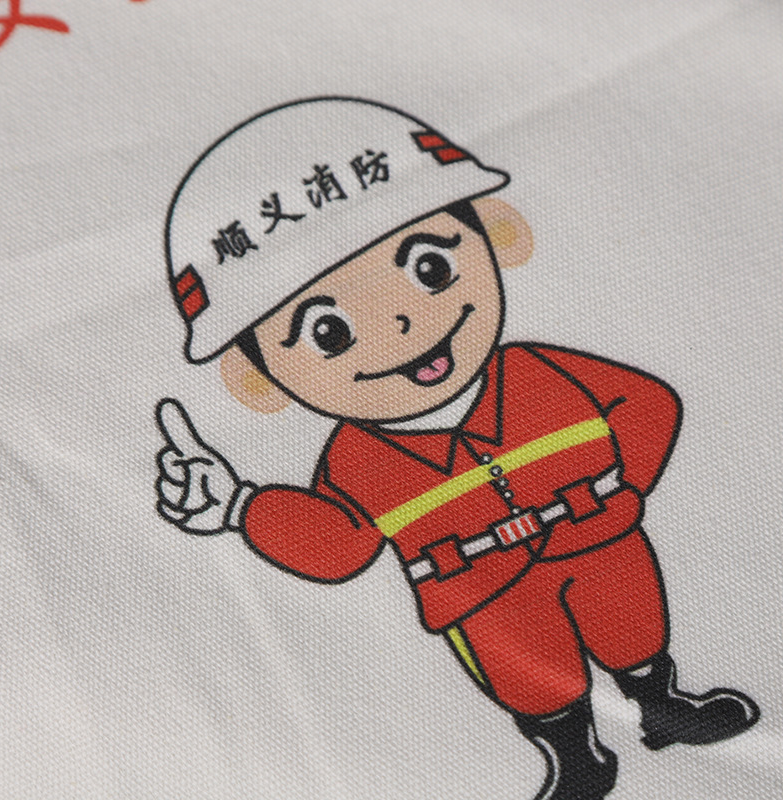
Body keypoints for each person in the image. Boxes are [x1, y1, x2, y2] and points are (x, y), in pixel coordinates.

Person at [155, 97, 759, 800]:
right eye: (329, 333)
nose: (401, 322)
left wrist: (620, 489)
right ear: (259, 379)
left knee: (635, 630)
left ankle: (664, 709)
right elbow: (340, 545)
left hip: (602, 543)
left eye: (431, 269)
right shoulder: (354, 460)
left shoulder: (535, 371)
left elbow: (644, 405)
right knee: (533, 678)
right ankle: (575, 756)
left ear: (497, 237)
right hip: (484, 591)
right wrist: (238, 506)